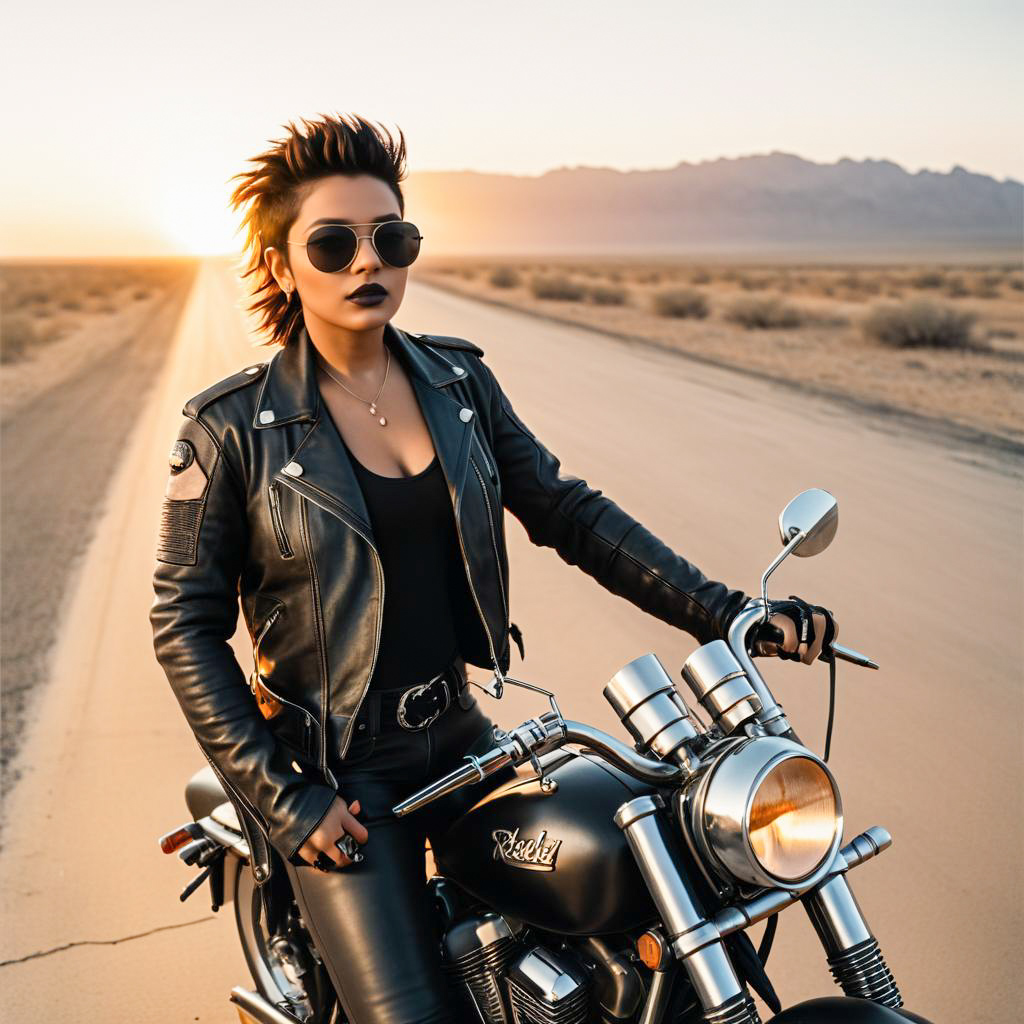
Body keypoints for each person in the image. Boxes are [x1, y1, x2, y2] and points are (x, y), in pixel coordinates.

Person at [149, 112, 837, 1024]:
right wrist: (286, 801)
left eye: (390, 238)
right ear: (281, 266)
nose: (368, 262)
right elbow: (183, 625)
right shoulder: (230, 428)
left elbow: (567, 511)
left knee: (649, 901)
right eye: (333, 242)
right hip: (339, 774)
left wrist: (725, 611)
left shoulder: (458, 385)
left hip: (466, 736)